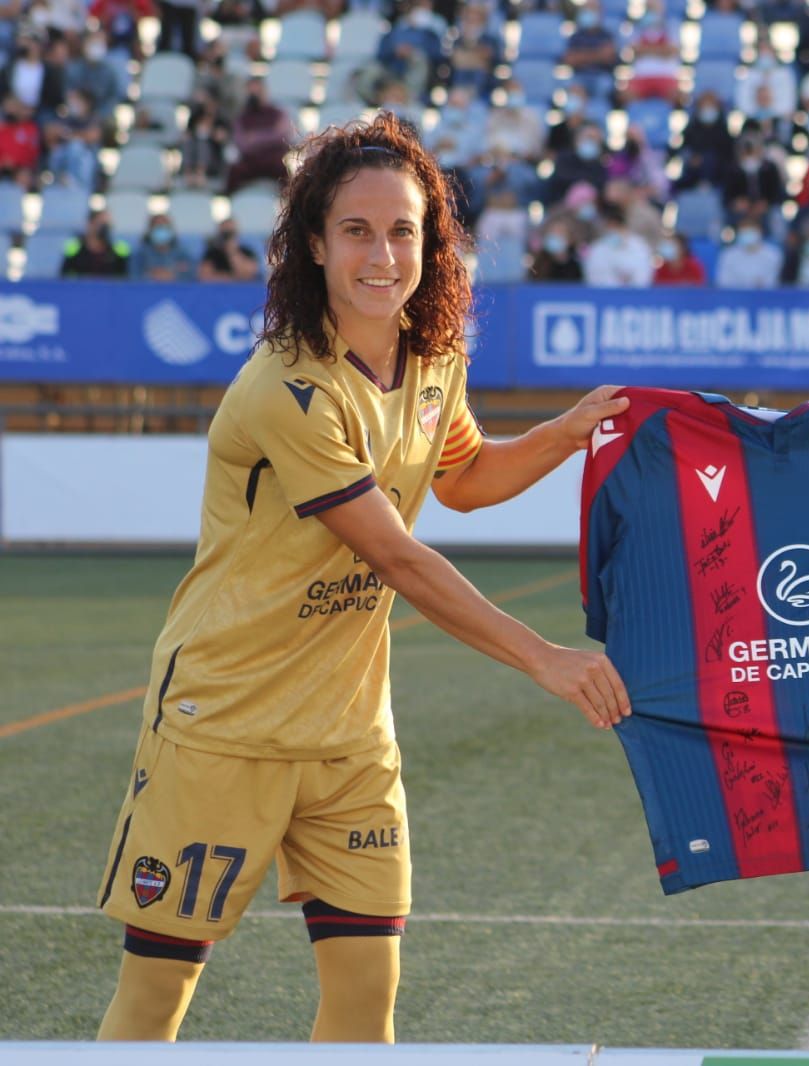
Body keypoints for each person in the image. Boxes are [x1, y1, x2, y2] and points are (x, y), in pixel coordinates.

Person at [93, 112, 630, 1044]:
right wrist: (542, 657)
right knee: (155, 1000)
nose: (382, 255)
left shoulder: (432, 361)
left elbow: (459, 480)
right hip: (224, 723)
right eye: (356, 231)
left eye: (403, 231)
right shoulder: (285, 388)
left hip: (349, 736)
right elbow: (394, 555)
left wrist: (561, 433)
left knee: (364, 997)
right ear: (313, 243)